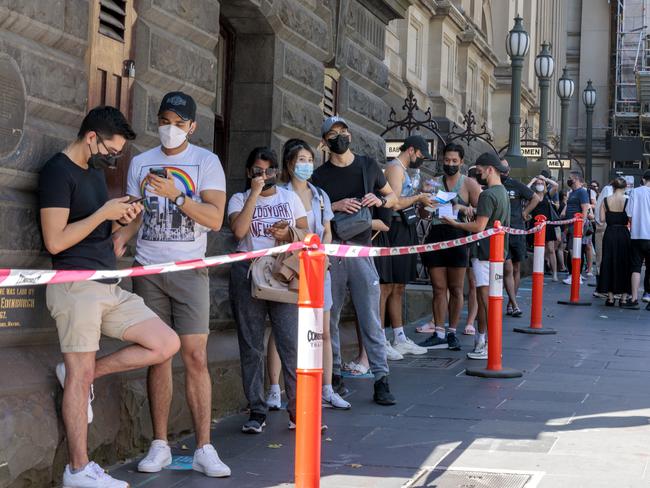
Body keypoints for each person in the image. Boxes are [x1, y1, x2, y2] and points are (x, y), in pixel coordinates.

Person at [39, 106, 181, 488]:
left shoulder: (94, 173)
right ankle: (78, 470)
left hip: (109, 283)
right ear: (91, 138)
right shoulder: (57, 171)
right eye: (110, 151)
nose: (113, 159)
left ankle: (80, 378)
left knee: (166, 342)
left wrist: (123, 220)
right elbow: (55, 240)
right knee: (80, 373)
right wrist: (104, 212)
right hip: (74, 285)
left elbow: (103, 232)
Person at [115, 92, 230, 477]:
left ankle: (204, 446)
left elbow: (215, 219)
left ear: (192, 126)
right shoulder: (141, 162)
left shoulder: (206, 162)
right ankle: (160, 444)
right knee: (158, 355)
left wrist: (177, 195)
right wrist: (120, 237)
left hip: (190, 270)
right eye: (166, 120)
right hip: (147, 269)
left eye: (180, 123)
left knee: (196, 356)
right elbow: (134, 213)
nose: (171, 128)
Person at [311, 115, 398, 406]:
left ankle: (381, 378)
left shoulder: (368, 166)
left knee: (370, 317)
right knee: (330, 318)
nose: (340, 136)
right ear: (324, 142)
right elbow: (310, 209)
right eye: (333, 133)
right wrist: (333, 206)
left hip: (361, 249)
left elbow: (393, 199)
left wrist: (381, 201)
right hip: (332, 250)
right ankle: (334, 375)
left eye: (343, 131)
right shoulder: (319, 176)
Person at [264, 139, 350, 410]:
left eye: (309, 159)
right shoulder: (281, 193)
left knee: (323, 330)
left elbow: (327, 231)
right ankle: (275, 390)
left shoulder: (320, 195)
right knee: (282, 330)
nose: (306, 165)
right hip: (289, 268)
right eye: (301, 160)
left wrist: (321, 250)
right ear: (290, 165)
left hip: (316, 268)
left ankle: (326, 388)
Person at [228, 147, 308, 432]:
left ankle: (298, 410)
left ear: (277, 171)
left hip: (281, 272)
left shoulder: (290, 197)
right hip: (247, 272)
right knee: (251, 344)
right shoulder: (238, 198)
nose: (264, 176)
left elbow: (305, 230)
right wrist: (253, 194)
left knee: (290, 343)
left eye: (269, 171)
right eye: (258, 171)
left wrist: (287, 233)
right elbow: (238, 231)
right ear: (249, 172)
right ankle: (257, 410)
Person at [441, 153, 510, 360]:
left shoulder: (488, 195)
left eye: (479, 170)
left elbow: (479, 226)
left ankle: (486, 342)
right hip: (497, 251)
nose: (477, 174)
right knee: (489, 298)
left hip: (483, 252)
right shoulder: (502, 192)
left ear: (490, 169)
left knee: (484, 298)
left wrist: (455, 224)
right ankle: (484, 340)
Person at [418, 143, 481, 350]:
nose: (450, 164)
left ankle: (452, 332)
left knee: (455, 288)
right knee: (438, 287)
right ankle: (438, 331)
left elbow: (482, 211)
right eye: (447, 160)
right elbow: (423, 215)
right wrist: (425, 202)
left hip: (458, 236)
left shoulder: (469, 184)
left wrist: (464, 208)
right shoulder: (433, 182)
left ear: (462, 162)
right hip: (436, 235)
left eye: (454, 161)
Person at [382, 135, 434, 356]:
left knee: (399, 285)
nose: (420, 160)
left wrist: (423, 200)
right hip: (395, 229)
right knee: (387, 285)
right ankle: (380, 338)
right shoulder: (395, 168)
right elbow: (393, 203)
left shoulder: (409, 172)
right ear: (411, 150)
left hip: (407, 227)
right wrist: (418, 198)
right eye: (421, 155)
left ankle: (399, 336)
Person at [500, 160, 541, 317]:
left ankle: (512, 303)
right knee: (507, 267)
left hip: (516, 229)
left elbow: (536, 198)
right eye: (500, 166)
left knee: (515, 268)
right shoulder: (492, 184)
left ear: (509, 169)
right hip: (500, 232)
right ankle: (513, 304)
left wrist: (525, 213)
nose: (503, 170)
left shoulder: (515, 185)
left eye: (505, 167)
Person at [596, 178, 631, 306]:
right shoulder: (627, 200)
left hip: (610, 233)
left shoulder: (605, 200)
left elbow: (602, 219)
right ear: (625, 187)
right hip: (623, 234)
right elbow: (631, 219)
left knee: (608, 262)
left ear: (613, 187)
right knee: (624, 263)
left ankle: (610, 297)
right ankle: (623, 297)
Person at [625, 170, 650, 310]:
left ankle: (634, 298)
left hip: (637, 235)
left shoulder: (635, 192)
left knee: (636, 267)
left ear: (643, 179)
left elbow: (629, 214)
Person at [561, 172, 592, 285]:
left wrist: (581, 225)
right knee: (571, 250)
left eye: (570, 178)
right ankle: (573, 274)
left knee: (574, 250)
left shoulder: (582, 192)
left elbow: (585, 209)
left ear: (576, 179)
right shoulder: (573, 193)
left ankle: (576, 275)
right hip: (570, 225)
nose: (569, 180)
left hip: (576, 225)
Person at [530, 176, 560, 281]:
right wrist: (532, 181)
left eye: (541, 184)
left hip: (547, 225)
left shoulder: (548, 195)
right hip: (536, 225)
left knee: (551, 249)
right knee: (538, 250)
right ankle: (539, 273)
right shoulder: (532, 196)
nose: (540, 185)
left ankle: (554, 273)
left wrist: (545, 179)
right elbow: (525, 189)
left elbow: (556, 185)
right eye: (538, 184)